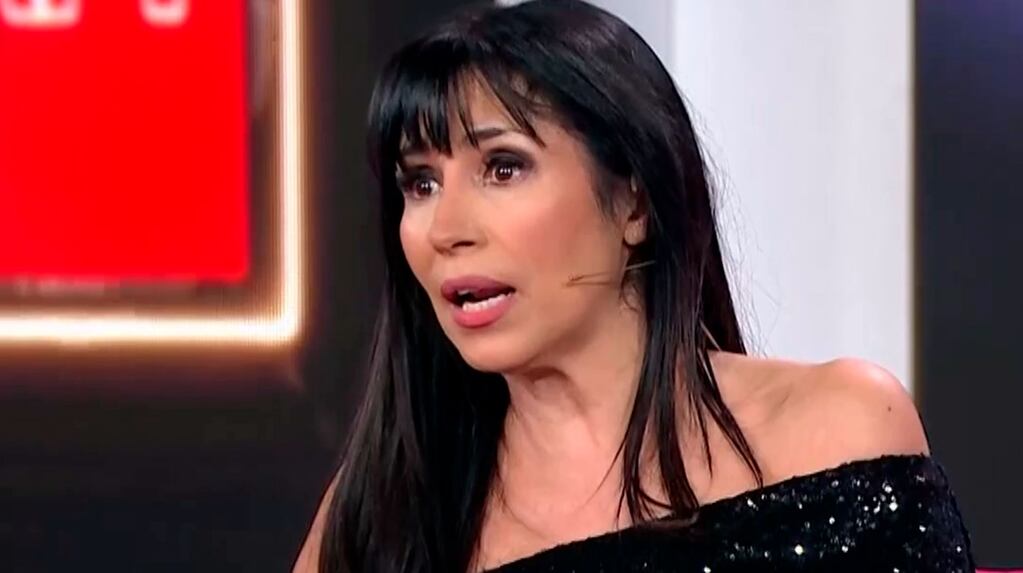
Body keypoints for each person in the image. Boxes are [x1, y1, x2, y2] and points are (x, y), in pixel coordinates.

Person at [294, 1, 975, 571]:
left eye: (503, 168)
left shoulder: (838, 431)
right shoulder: (382, 512)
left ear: (634, 202)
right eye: (420, 182)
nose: (444, 228)